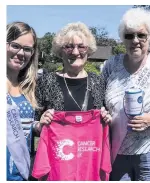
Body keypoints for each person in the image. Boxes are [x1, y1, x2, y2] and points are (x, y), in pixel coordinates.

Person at [102, 8, 150, 181]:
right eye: (129, 35)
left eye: (141, 35)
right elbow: (99, 102)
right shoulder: (110, 65)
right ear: (123, 38)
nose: (135, 40)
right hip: (117, 151)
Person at [33, 22, 113, 180]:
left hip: (90, 170)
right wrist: (40, 124)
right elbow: (34, 124)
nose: (75, 52)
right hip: (58, 171)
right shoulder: (46, 81)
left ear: (88, 50)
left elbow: (106, 121)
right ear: (60, 51)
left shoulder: (98, 82)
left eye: (81, 47)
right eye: (68, 47)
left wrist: (107, 119)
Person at [6, 21, 38, 181]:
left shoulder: (30, 89)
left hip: (22, 174)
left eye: (27, 49)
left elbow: (26, 126)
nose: (21, 53)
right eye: (15, 46)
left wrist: (39, 125)